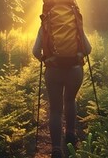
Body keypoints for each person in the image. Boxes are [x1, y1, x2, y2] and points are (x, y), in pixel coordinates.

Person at [32, 16, 91, 158]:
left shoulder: (45, 25)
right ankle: (70, 134)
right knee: (70, 100)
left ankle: (56, 148)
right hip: (75, 70)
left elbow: (35, 51)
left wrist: (45, 59)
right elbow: (88, 49)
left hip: (53, 71)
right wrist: (78, 54)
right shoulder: (75, 23)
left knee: (55, 109)